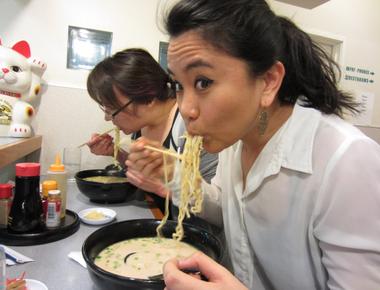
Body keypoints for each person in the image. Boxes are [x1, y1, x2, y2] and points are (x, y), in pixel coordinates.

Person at [125, 1, 380, 289]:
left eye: (203, 82)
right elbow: (224, 209)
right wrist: (175, 176)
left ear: (269, 81)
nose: (186, 109)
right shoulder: (235, 141)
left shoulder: (347, 160)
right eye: (179, 86)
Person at [85, 48, 220, 224]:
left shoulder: (192, 128)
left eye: (112, 110)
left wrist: (164, 184)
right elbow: (149, 171)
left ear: (148, 98)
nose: (107, 118)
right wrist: (115, 152)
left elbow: (217, 208)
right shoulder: (141, 125)